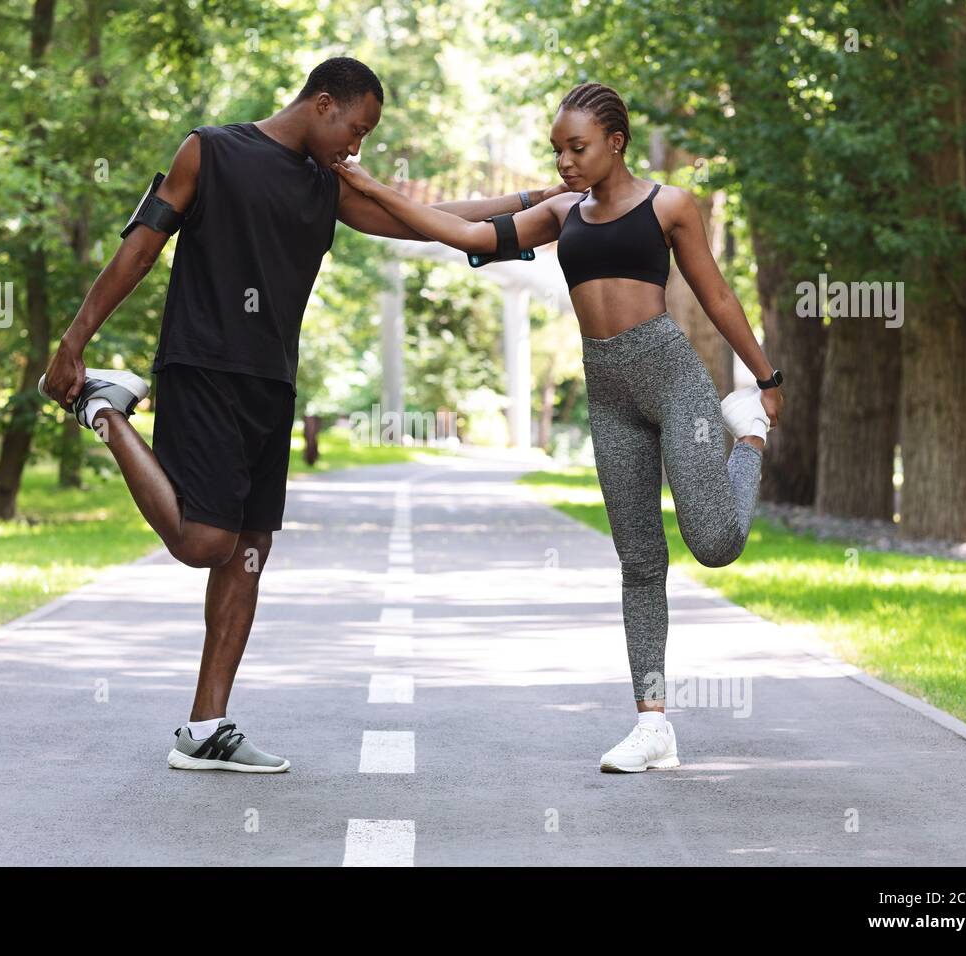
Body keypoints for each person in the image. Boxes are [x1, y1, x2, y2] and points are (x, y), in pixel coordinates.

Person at [37, 56, 570, 773]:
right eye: (356, 129)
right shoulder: (210, 150)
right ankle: (106, 410)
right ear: (323, 103)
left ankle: (206, 728)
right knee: (203, 543)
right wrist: (75, 340)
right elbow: (140, 248)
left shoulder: (328, 185)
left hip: (270, 384)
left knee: (249, 553)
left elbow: (428, 222)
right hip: (203, 368)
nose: (358, 147)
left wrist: (535, 205)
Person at [331, 81, 786, 774]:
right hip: (607, 390)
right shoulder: (561, 212)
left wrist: (764, 379)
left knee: (716, 543)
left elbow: (716, 292)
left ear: (615, 142)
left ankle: (747, 435)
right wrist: (371, 190)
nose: (566, 161)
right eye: (557, 150)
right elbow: (465, 234)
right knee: (639, 560)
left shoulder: (670, 205)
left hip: (673, 380)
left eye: (577, 148)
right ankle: (652, 723)